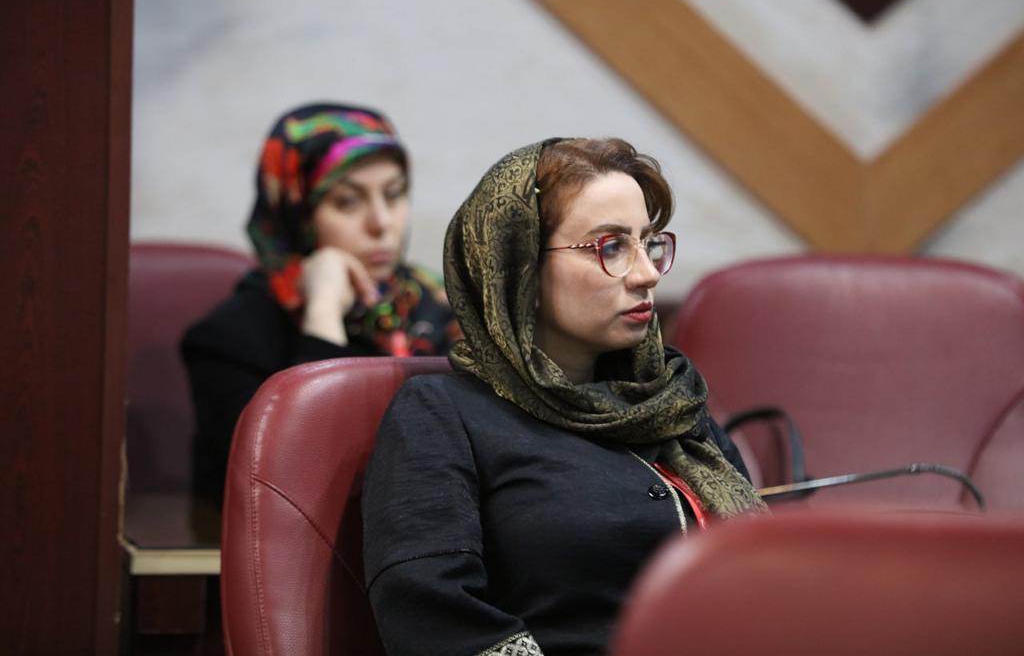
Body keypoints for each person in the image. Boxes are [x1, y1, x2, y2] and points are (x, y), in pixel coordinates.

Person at [362, 137, 767, 656]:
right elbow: (429, 609)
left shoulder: (672, 402)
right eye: (611, 247)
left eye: (648, 243)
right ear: (519, 266)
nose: (646, 273)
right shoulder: (443, 413)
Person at [182, 103, 460, 509]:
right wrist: (323, 314)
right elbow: (288, 487)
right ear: (298, 212)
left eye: (394, 194)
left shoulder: (439, 309)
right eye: (347, 201)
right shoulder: (229, 340)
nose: (382, 223)